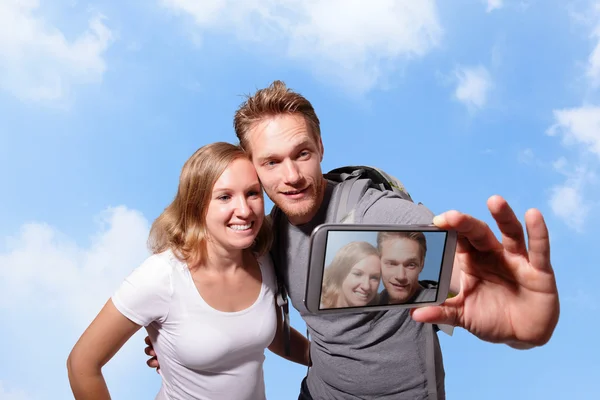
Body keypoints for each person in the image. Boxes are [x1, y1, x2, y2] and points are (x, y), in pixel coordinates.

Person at [146, 81, 560, 399]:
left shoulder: (371, 209)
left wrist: (513, 315)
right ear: (252, 167)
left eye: (302, 154)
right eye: (271, 162)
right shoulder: (267, 233)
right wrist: (182, 340)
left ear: (321, 148)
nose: (290, 176)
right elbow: (250, 309)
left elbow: (436, 250)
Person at [67, 142, 310, 400]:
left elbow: (271, 336)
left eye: (252, 193)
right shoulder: (161, 277)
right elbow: (81, 364)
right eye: (225, 197)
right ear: (197, 206)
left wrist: (333, 359)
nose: (244, 210)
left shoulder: (263, 258)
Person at [377, 231, 437, 304]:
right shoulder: (370, 303)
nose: (401, 276)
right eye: (391, 264)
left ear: (422, 264)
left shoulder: (435, 299)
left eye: (411, 265)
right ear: (378, 263)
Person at [320, 241, 381, 309]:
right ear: (340, 273)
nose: (366, 286)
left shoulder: (380, 312)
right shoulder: (313, 308)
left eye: (374, 278)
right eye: (358, 274)